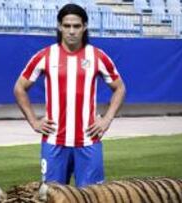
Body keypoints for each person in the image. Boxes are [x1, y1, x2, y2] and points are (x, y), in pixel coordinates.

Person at [13, 3, 126, 187]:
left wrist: (106, 119)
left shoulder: (97, 56)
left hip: (89, 140)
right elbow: (19, 87)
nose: (71, 31)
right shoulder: (45, 56)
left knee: (92, 198)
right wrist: (34, 121)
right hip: (54, 141)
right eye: (67, 26)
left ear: (85, 27)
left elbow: (120, 88)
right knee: (53, 198)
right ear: (59, 27)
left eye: (76, 26)